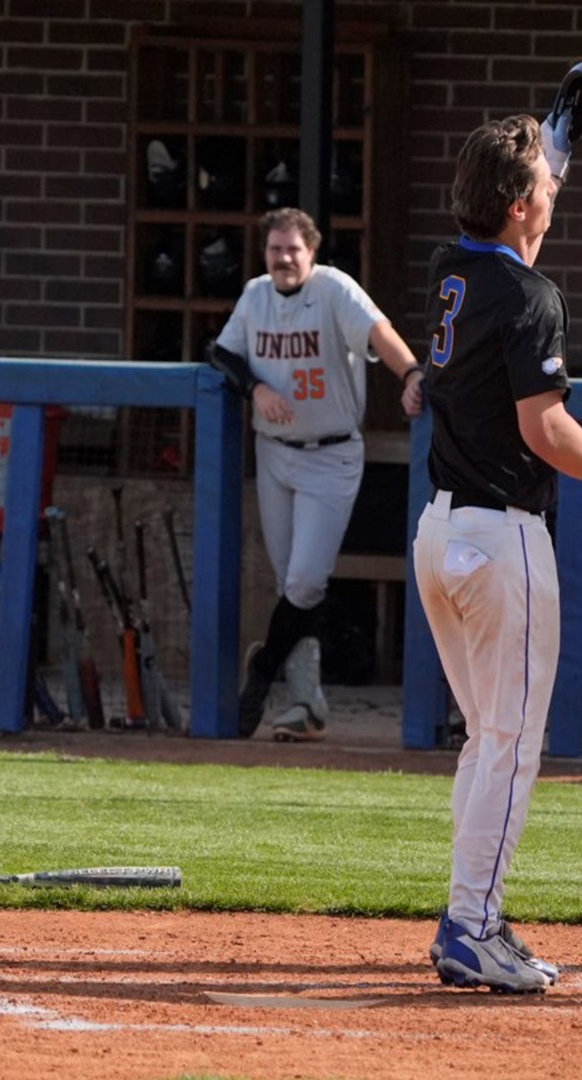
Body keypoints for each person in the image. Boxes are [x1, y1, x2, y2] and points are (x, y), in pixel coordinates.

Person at [418, 115, 582, 993]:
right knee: (512, 742)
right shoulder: (532, 296)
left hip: (440, 532)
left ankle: (473, 913)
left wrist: (549, 138)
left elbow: (507, 202)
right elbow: (546, 427)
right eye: (549, 191)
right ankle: (471, 923)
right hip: (501, 536)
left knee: (485, 739)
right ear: (523, 204)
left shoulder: (451, 267)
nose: (558, 198)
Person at [208, 208, 425, 742]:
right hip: (274, 451)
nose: (283, 259)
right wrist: (255, 388)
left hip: (330, 453)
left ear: (312, 252)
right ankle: (306, 705)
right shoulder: (257, 294)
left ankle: (262, 672)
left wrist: (414, 372)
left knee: (306, 581)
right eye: (275, 249)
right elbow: (220, 353)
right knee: (291, 583)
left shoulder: (332, 289)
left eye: (293, 250)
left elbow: (380, 332)